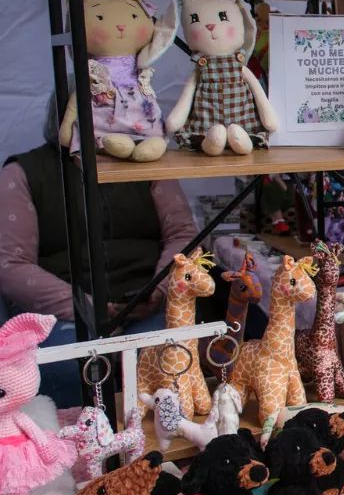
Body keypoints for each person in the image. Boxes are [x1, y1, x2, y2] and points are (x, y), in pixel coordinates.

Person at [0, 101, 197, 408]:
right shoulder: (21, 173)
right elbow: (11, 263)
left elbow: (183, 235)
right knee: (72, 367)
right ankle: (77, 453)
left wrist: (158, 290)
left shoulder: (148, 164)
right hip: (63, 311)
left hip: (146, 301)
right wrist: (86, 308)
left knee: (168, 358)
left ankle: (161, 449)